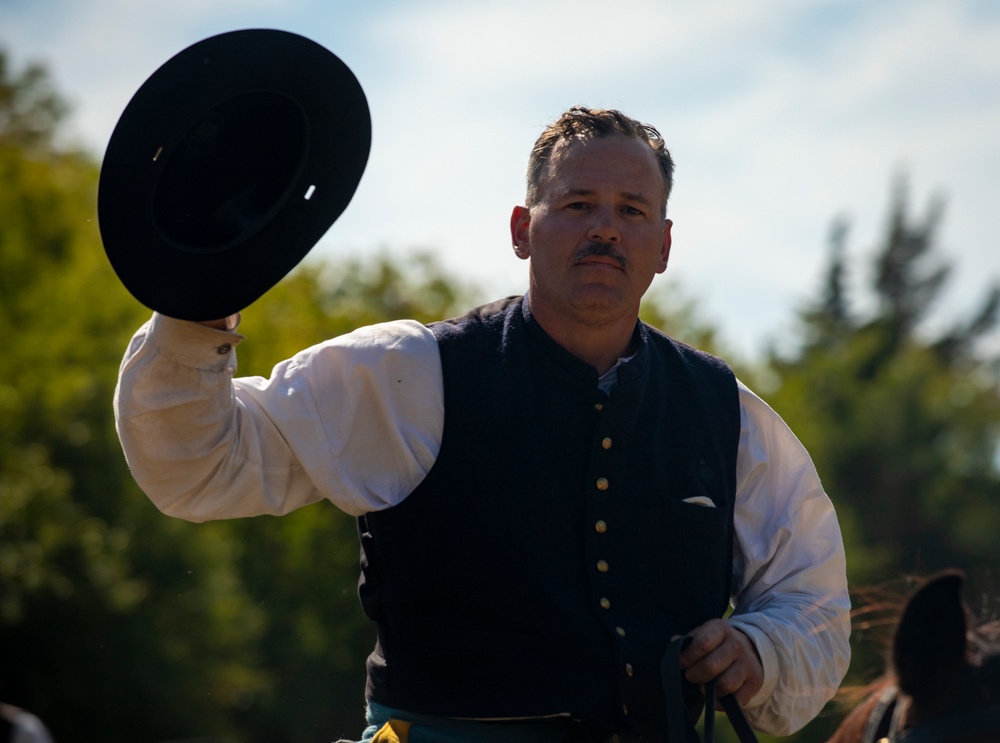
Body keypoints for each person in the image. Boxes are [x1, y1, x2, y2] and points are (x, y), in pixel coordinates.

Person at [114, 107, 850, 742]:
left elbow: (812, 600)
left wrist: (762, 648)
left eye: (631, 210)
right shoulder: (410, 372)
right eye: (578, 204)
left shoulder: (727, 412)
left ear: (663, 244)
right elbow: (201, 462)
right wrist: (200, 293)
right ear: (522, 229)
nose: (606, 229)